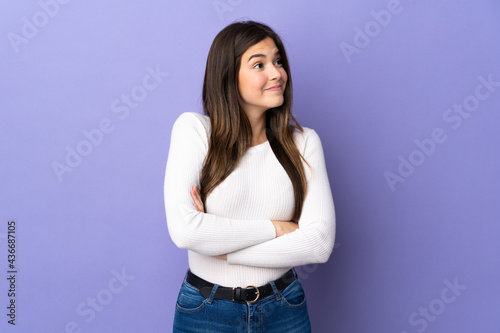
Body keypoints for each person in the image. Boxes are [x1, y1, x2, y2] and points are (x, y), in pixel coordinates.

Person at [164, 20, 335, 332]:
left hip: (284, 307)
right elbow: (186, 232)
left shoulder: (304, 142)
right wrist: (277, 228)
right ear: (229, 77)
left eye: (278, 61)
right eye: (260, 64)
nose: (277, 73)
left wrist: (220, 246)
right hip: (206, 311)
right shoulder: (195, 131)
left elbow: (319, 244)